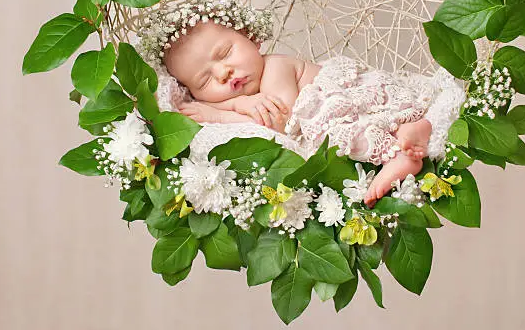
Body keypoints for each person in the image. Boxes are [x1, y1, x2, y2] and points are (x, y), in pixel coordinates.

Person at [162, 19, 433, 208]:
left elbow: (277, 123)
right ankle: (407, 131)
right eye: (205, 81)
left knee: (339, 133)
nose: (223, 72)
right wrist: (233, 105)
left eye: (225, 53)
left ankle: (399, 154)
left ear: (249, 37)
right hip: (355, 109)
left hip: (346, 100)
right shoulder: (248, 93)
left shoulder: (274, 67)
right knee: (357, 126)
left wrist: (220, 114)